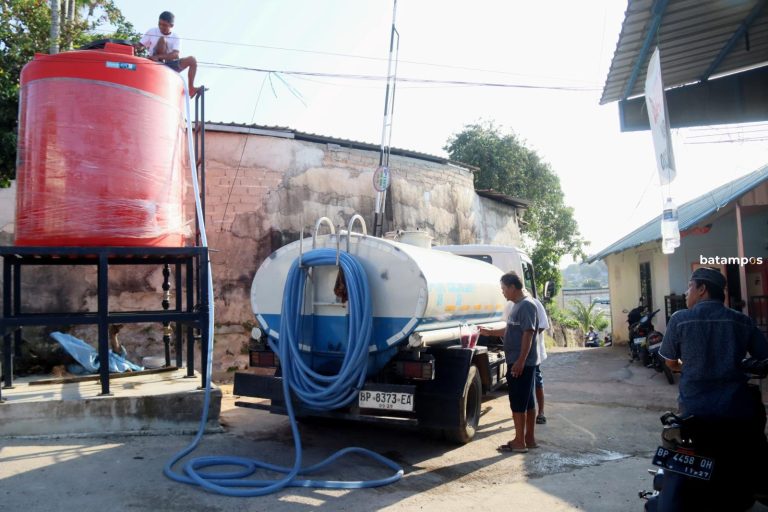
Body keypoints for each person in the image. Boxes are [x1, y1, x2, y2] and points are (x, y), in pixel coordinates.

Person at [654, 267, 768, 511]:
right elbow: (765, 356)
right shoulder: (742, 321)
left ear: (702, 289)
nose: (686, 293)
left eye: (689, 287)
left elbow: (670, 362)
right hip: (736, 412)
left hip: (694, 413)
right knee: (756, 444)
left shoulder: (680, 319)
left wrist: (687, 368)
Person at [479, 271, 538, 453]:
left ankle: (519, 442)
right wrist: (490, 332)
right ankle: (528, 439)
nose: (503, 292)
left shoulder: (526, 305)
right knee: (527, 402)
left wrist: (520, 361)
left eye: (504, 289)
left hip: (521, 363)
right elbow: (512, 329)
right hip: (519, 361)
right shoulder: (517, 305)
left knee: (518, 403)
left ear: (513, 287)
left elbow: (528, 333)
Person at [136, 11, 199, 97]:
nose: (161, 27)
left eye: (164, 25)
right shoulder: (152, 31)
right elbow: (140, 45)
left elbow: (175, 54)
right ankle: (159, 64)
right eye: (160, 24)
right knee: (162, 39)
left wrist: (158, 57)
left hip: (168, 65)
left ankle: (191, 89)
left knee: (192, 60)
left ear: (171, 26)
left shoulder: (176, 37)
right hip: (154, 63)